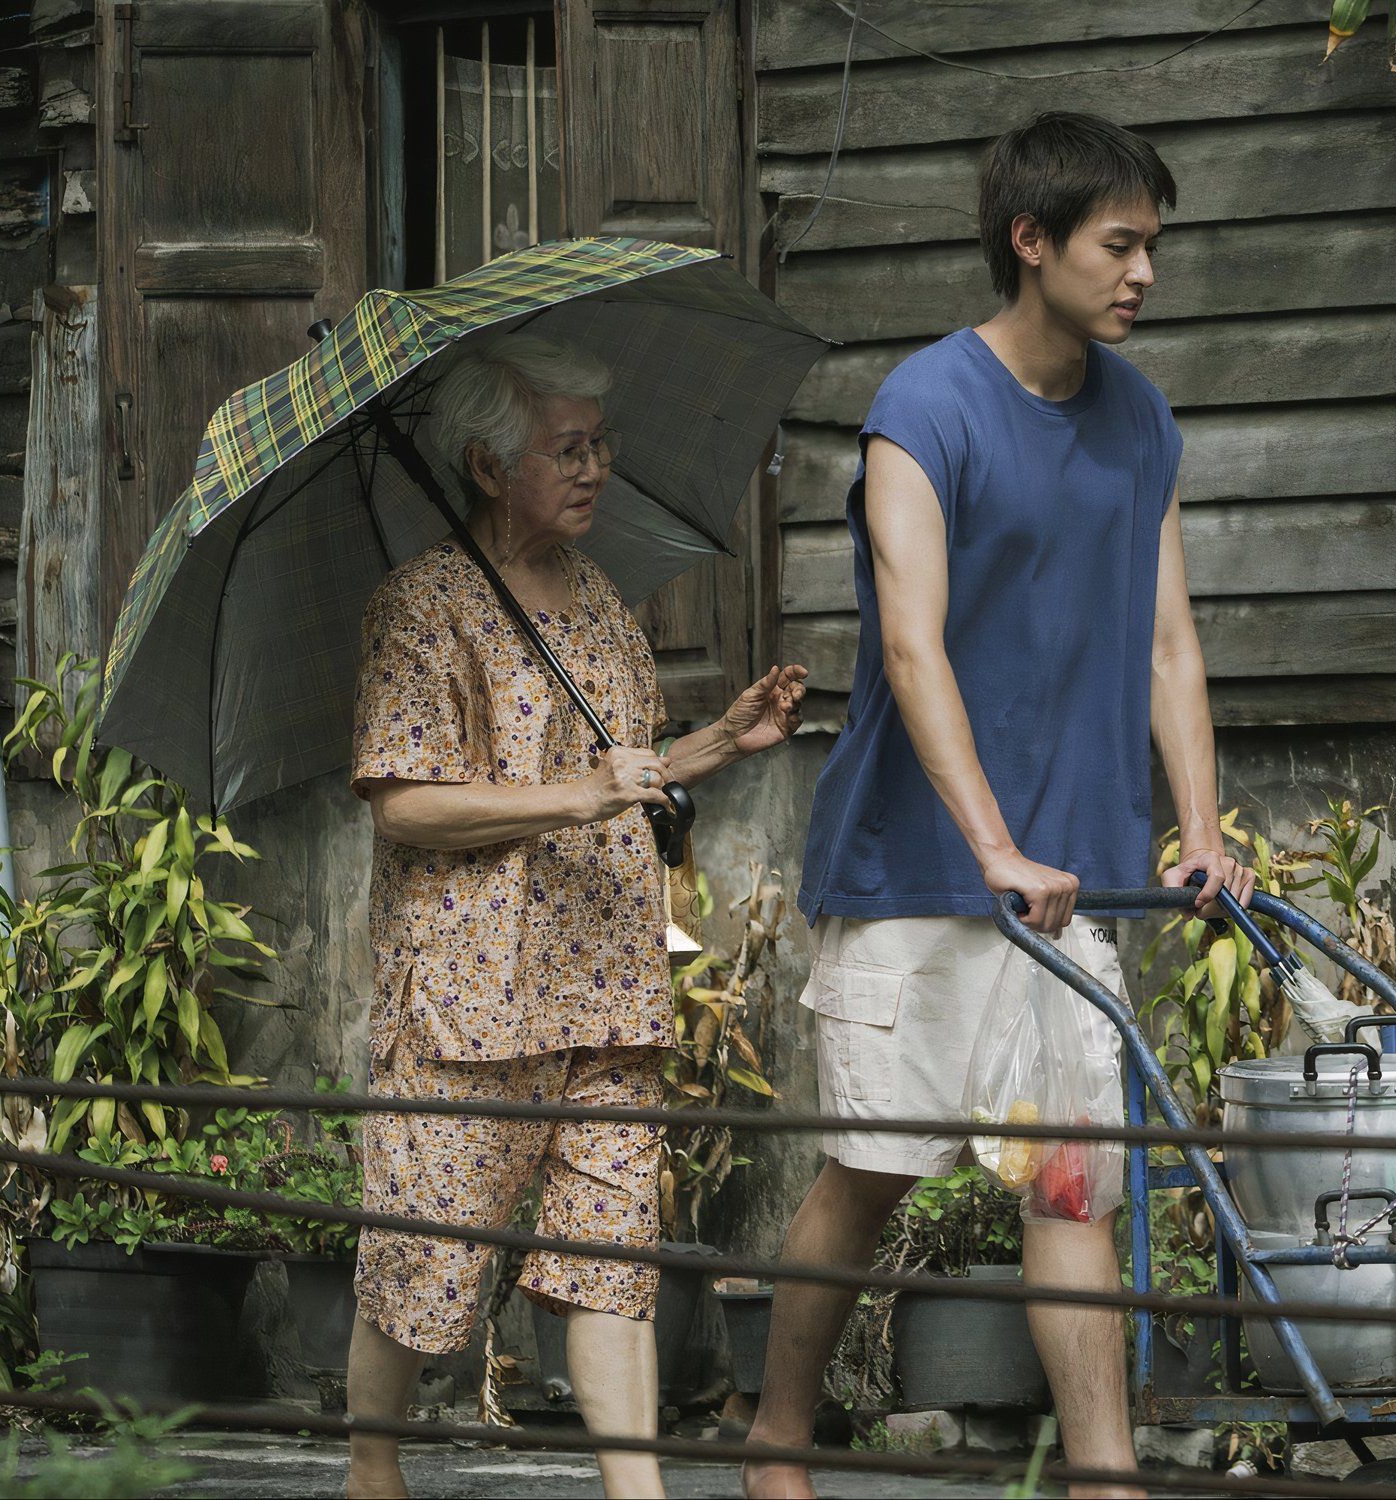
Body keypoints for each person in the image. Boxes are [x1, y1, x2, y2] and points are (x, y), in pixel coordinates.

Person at [743, 113, 1256, 1500]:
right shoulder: (926, 409)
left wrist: (1197, 828)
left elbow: (1167, 645)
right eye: (1119, 244)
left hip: (1073, 879)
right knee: (870, 1181)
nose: (1144, 273)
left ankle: (1104, 1476)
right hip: (919, 874)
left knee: (1068, 1188)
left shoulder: (1143, 418)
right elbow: (911, 645)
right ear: (1031, 242)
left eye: (1155, 246)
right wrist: (991, 846)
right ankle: (775, 1439)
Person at [343, 334, 808, 1500]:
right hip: (471, 991)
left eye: (601, 445)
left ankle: (636, 1493)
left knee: (612, 1257)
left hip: (605, 978)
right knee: (426, 1257)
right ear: (489, 469)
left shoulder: (602, 603)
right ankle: (372, 1465)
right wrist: (580, 792)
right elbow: (403, 802)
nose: (595, 467)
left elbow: (627, 770)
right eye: (567, 448)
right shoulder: (422, 607)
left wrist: (716, 742)